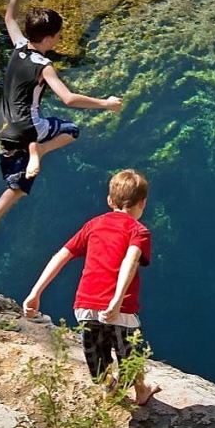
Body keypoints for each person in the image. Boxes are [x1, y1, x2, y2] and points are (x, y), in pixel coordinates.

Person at [0, 0, 123, 258]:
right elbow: (68, 98)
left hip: (3, 129)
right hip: (29, 128)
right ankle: (39, 150)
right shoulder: (44, 66)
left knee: (19, 184)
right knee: (71, 131)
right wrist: (106, 103)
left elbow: (9, 18)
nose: (58, 39)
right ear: (48, 38)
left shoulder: (19, 46)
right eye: (56, 36)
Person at [22, 169, 162, 406]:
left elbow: (62, 255)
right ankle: (140, 390)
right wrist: (117, 299)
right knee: (130, 352)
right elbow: (130, 260)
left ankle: (109, 387)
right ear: (143, 203)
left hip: (85, 305)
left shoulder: (93, 225)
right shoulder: (139, 231)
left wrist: (35, 292)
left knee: (97, 357)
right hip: (120, 309)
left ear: (109, 200)